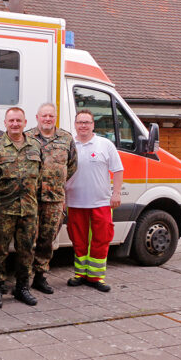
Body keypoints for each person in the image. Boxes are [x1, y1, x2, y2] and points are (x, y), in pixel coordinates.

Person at [0, 107, 42, 307]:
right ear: (5, 123)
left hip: (28, 209)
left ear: (25, 122)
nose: (15, 124)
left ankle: (22, 288)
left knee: (26, 250)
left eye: (19, 120)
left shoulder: (35, 146)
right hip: (3, 209)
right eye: (11, 121)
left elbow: (40, 176)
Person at [65, 109, 123, 292]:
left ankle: (96, 277)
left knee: (101, 239)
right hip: (75, 202)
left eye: (87, 122)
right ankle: (80, 274)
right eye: (80, 122)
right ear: (75, 125)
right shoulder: (69, 145)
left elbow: (118, 170)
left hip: (101, 202)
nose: (83, 125)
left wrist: (117, 194)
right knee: (78, 240)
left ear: (93, 125)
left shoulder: (105, 145)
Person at [25, 103, 77, 294]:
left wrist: (56, 182)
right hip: (31, 198)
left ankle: (40, 277)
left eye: (51, 116)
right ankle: (24, 279)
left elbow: (72, 166)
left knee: (47, 240)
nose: (47, 119)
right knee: (28, 239)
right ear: (37, 117)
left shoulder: (66, 138)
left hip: (54, 199)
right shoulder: (27, 137)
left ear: (55, 118)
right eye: (44, 116)